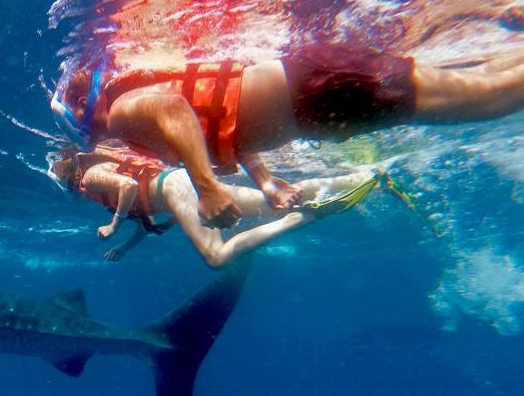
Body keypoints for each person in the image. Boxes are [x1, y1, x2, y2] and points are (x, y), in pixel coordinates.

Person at [50, 43, 524, 228]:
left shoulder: (123, 113)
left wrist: (211, 188)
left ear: (80, 104)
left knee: (489, 99)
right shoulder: (131, 117)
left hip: (317, 94)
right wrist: (267, 180)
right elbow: (226, 121)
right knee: (484, 82)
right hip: (316, 94)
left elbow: (173, 109)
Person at [47, 140, 379, 268]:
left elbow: (130, 185)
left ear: (67, 179)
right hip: (181, 185)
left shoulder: (90, 179)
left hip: (177, 188)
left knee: (217, 257)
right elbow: (145, 221)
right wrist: (125, 248)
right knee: (272, 203)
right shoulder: (99, 180)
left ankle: (304, 219)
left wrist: (113, 225)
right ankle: (361, 177)